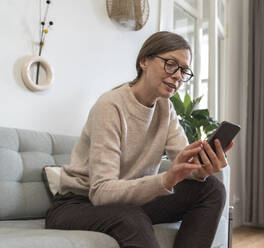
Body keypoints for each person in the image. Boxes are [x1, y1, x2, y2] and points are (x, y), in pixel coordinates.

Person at [45, 31, 234, 248]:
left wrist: (200, 170)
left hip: (129, 202)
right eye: (171, 64)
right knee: (131, 218)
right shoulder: (110, 106)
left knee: (211, 188)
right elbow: (100, 192)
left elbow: (184, 163)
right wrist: (166, 180)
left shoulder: (166, 108)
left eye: (184, 71)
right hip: (77, 204)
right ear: (144, 61)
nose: (178, 76)